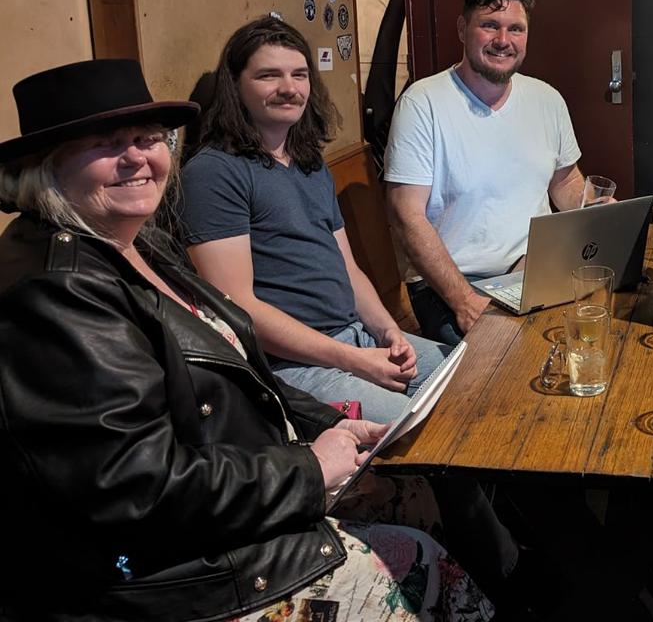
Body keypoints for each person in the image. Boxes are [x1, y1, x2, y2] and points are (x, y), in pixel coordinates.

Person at [0, 59, 491, 621]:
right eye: (106, 144)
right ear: (43, 166)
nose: (137, 157)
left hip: (243, 482)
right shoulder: (56, 292)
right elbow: (132, 488)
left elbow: (246, 373)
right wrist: (309, 469)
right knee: (418, 553)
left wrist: (328, 425)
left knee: (424, 481)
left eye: (147, 138)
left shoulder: (135, 239)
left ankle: (522, 578)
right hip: (161, 576)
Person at [179, 16, 449, 425]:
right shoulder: (214, 172)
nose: (289, 88)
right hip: (293, 367)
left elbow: (348, 269)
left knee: (472, 392)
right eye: (269, 75)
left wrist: (388, 332)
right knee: (428, 433)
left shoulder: (310, 164)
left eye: (299, 74)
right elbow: (239, 309)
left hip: (354, 339)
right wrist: (356, 361)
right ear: (235, 86)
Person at [384, 0, 588, 344]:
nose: (503, 40)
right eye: (489, 25)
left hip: (536, 271)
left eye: (516, 29)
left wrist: (598, 209)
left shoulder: (547, 99)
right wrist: (464, 301)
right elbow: (405, 215)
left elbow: (566, 182)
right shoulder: (422, 103)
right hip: (453, 283)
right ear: (463, 29)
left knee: (598, 332)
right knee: (509, 367)